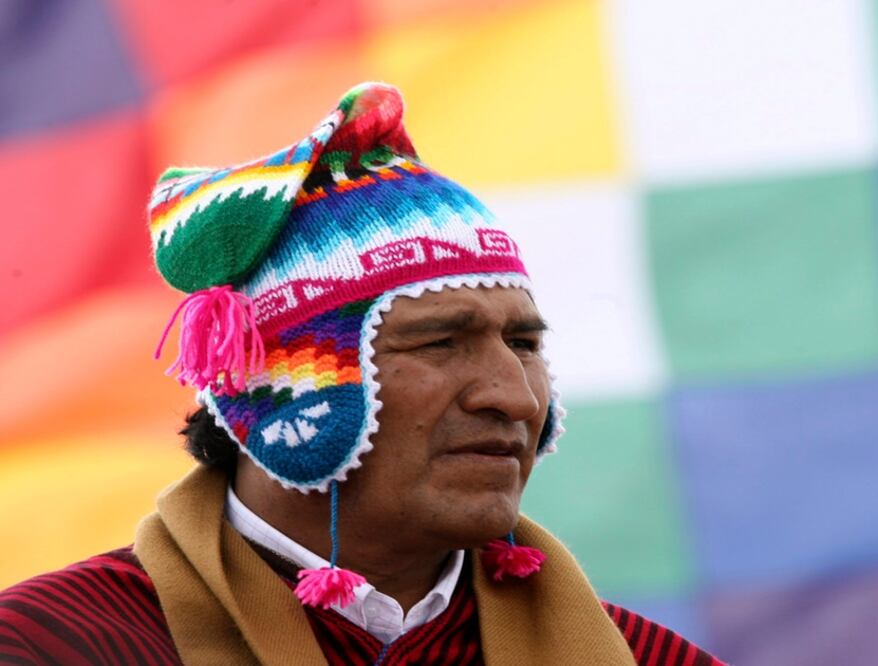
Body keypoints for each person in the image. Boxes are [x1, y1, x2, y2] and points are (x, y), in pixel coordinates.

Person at [0, 82, 723, 665]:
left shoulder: (648, 658)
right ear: (277, 390)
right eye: (441, 342)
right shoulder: (55, 646)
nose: (513, 395)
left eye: (525, 343)